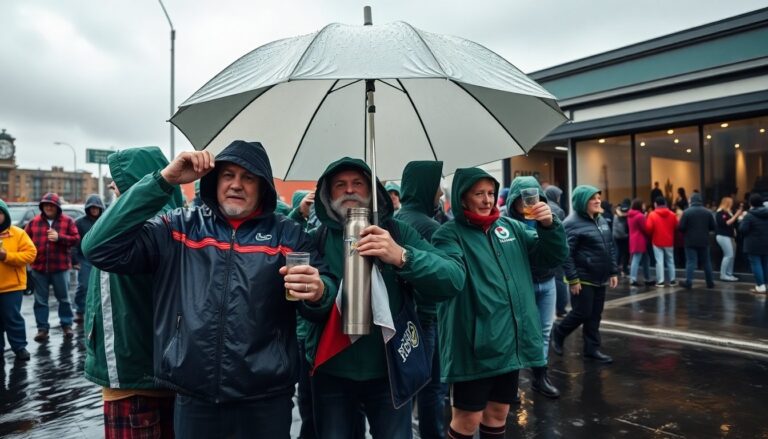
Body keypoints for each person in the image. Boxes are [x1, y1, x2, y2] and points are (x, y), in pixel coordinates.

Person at [82, 141, 337, 438]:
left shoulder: (288, 234)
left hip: (267, 399)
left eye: (248, 177)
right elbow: (98, 248)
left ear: (263, 186)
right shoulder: (179, 227)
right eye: (228, 175)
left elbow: (324, 295)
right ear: (214, 181)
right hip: (195, 399)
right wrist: (163, 180)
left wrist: (319, 291)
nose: (236, 185)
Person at [303, 157, 464, 439]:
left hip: (389, 372)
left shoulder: (397, 232)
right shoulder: (316, 238)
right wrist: (317, 296)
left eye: (358, 183)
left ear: (372, 191)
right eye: (340, 185)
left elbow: (453, 278)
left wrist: (402, 256)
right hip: (332, 372)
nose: (350, 190)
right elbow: (308, 310)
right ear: (328, 194)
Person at [431, 168, 566, 439]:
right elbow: (448, 275)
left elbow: (551, 256)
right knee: (467, 420)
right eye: (478, 193)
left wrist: (549, 226)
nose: (487, 200)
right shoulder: (448, 234)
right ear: (462, 198)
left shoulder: (510, 227)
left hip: (509, 343)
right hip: (474, 347)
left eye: (491, 193)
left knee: (498, 414)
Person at [84, 147, 183, 438]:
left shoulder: (153, 226)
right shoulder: (131, 221)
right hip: (136, 376)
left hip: (135, 379)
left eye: (119, 179)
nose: (112, 185)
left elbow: (94, 247)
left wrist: (157, 183)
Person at [395, 160, 448, 438]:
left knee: (408, 385)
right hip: (428, 316)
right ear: (426, 187)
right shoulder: (429, 226)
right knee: (433, 388)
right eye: (437, 185)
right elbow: (443, 276)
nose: (440, 193)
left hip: (404, 317)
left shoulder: (398, 218)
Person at [505, 176, 567, 399]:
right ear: (513, 199)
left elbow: (561, 250)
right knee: (516, 333)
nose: (529, 202)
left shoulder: (550, 215)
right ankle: (509, 385)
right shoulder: (505, 221)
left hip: (547, 281)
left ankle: (540, 378)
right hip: (523, 283)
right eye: (523, 198)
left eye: (534, 197)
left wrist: (548, 224)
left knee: (543, 331)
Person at [552, 185, 618, 364]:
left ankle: (592, 349)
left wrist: (613, 271)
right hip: (583, 278)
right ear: (582, 202)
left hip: (600, 277)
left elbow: (609, 247)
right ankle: (558, 332)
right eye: (593, 198)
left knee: (595, 314)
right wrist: (573, 279)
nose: (598, 201)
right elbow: (567, 254)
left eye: (598, 197)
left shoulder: (601, 220)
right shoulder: (571, 223)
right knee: (582, 312)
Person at [25, 192, 80, 342]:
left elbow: (76, 239)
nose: (49, 207)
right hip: (38, 268)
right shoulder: (34, 222)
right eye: (46, 205)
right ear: (42, 206)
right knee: (40, 301)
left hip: (60, 267)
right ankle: (42, 329)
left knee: (64, 299)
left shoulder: (68, 221)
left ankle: (66, 326)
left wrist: (59, 237)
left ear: (57, 207)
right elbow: (24, 242)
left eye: (52, 205)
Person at [0, 198, 37, 361]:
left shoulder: (18, 233)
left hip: (12, 286)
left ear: (5, 215)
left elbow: (30, 254)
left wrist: (6, 256)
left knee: (12, 318)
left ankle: (19, 347)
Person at [71, 194, 105, 323]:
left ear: (100, 208)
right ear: (88, 208)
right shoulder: (79, 222)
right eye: (92, 207)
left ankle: (98, 311)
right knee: (84, 285)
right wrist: (74, 260)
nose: (94, 210)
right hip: (84, 259)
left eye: (97, 207)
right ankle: (80, 311)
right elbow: (74, 243)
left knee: (101, 287)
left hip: (102, 259)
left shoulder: (105, 220)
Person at [678, 193, 716, 289]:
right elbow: (713, 226)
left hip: (690, 241)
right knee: (706, 262)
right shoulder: (708, 212)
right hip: (704, 240)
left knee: (691, 261)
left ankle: (689, 282)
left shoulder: (686, 212)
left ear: (691, 201)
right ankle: (710, 282)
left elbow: (681, 227)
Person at [544, 185, 569, 317]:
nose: (560, 197)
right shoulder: (557, 210)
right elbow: (561, 232)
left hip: (544, 250)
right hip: (555, 247)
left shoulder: (542, 206)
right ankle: (561, 308)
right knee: (559, 278)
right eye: (558, 195)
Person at [645, 197, 678, 287]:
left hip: (657, 241)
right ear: (665, 203)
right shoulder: (672, 214)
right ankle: (672, 280)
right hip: (669, 241)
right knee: (670, 261)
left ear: (656, 204)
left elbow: (648, 228)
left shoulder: (652, 214)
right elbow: (676, 226)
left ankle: (660, 281)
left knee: (659, 261)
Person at [740, 194, 768, 294]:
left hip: (753, 244)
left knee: (756, 264)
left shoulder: (749, 215)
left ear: (751, 203)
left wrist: (742, 219)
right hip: (766, 243)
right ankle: (765, 285)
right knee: (765, 264)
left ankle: (760, 286)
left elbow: (743, 230)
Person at [715, 197, 743, 282]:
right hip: (723, 236)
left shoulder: (728, 212)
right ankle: (723, 275)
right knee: (729, 255)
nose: (732, 204)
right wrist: (736, 215)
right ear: (726, 203)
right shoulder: (720, 212)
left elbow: (731, 223)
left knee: (731, 255)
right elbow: (726, 223)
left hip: (730, 236)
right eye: (730, 202)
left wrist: (733, 229)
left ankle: (729, 274)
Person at [627, 199, 654, 287]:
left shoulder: (630, 215)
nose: (644, 206)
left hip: (633, 239)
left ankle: (647, 278)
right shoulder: (640, 216)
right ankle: (633, 279)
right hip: (640, 240)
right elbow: (645, 228)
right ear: (639, 205)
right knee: (637, 259)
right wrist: (645, 218)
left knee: (645, 259)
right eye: (643, 205)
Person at [612, 199, 631, 277]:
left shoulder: (617, 211)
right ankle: (624, 270)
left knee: (618, 253)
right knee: (625, 253)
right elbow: (622, 215)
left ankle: (616, 270)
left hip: (616, 236)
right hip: (624, 236)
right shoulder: (626, 212)